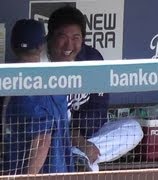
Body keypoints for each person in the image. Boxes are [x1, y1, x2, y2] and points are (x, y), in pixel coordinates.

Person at [46, 6, 143, 171]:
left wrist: (81, 137)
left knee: (133, 129)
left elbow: (98, 108)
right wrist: (75, 138)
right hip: (49, 139)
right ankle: (80, 156)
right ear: (50, 38)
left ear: (83, 39)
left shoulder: (92, 59)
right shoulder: (39, 63)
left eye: (76, 37)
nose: (69, 44)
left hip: (83, 135)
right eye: (62, 37)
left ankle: (79, 156)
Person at [3, 19, 74, 174]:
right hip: (62, 171)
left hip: (40, 173)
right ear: (41, 45)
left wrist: (28, 177)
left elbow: (42, 139)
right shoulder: (56, 83)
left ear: (12, 46)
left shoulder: (19, 88)